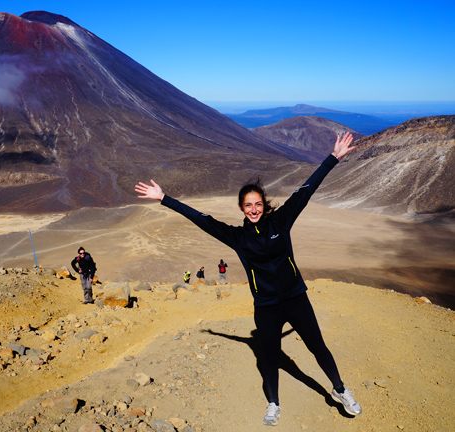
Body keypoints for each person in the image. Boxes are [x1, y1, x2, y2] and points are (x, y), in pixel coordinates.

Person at [135, 133, 362, 426]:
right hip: (266, 306)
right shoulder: (238, 237)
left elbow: (306, 190)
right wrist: (164, 199)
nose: (253, 210)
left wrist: (333, 158)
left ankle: (340, 390)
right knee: (268, 357)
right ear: (241, 209)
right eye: (247, 206)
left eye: (257, 205)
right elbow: (202, 219)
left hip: (295, 297)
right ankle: (273, 403)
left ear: (263, 205)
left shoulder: (281, 221)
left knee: (317, 345)